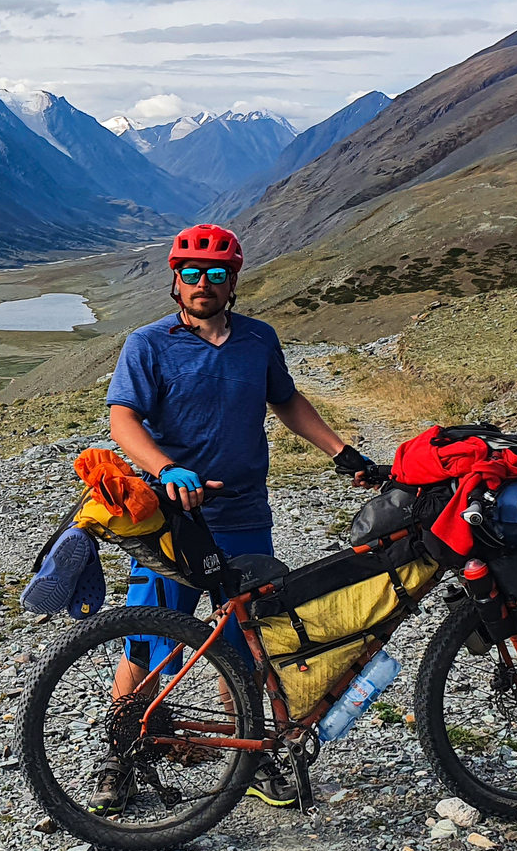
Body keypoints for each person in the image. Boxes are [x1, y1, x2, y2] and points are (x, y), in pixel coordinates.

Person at [95, 224, 381, 811]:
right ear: (176, 279)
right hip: (171, 519)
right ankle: (120, 754)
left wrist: (341, 452)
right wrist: (166, 468)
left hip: (246, 514)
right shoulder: (148, 344)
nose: (204, 283)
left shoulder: (258, 339)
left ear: (233, 282)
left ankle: (251, 757)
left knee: (246, 643)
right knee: (150, 642)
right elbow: (122, 418)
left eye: (217, 274)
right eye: (193, 273)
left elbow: (287, 400)